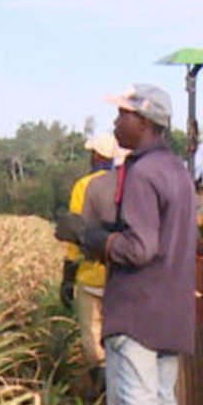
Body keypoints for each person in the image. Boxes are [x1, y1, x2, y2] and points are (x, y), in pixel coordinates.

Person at [54, 83, 198, 405]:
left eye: (123, 115)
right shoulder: (176, 169)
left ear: (146, 122)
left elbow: (139, 248)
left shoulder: (138, 174)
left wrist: (88, 237)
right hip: (171, 308)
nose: (116, 123)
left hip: (137, 308)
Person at [59, 132, 125, 378]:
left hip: (91, 274)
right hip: (121, 275)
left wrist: (67, 278)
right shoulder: (127, 182)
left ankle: (101, 381)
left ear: (97, 155)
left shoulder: (84, 186)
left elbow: (76, 233)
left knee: (92, 331)